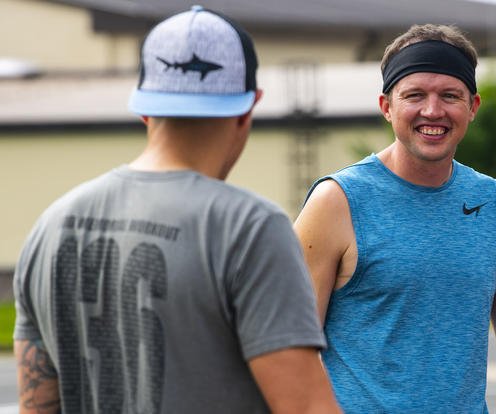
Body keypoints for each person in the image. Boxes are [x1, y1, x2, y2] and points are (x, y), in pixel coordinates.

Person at [13, 6, 341, 414]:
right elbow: (306, 407)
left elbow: (37, 404)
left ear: (144, 109)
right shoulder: (251, 228)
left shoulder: (52, 226)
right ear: (247, 109)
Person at [294, 24, 496, 413]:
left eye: (450, 96)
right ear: (387, 106)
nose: (432, 111)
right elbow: (291, 354)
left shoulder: (494, 203)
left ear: (472, 106)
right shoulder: (336, 202)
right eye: (414, 95)